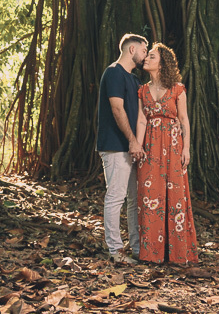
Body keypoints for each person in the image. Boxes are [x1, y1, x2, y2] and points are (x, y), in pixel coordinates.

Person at [135, 42, 198, 264]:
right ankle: (151, 254)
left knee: (176, 199)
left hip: (173, 147)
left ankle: (177, 254)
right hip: (150, 148)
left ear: (162, 63)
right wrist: (139, 146)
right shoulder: (142, 90)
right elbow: (142, 120)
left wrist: (187, 148)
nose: (146, 59)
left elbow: (184, 120)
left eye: (151, 56)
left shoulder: (178, 89)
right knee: (150, 198)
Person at [97, 33, 148, 265]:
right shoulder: (114, 72)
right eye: (144, 51)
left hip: (132, 148)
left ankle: (137, 248)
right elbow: (117, 109)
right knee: (116, 197)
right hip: (116, 146)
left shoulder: (135, 80)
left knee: (134, 200)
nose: (145, 56)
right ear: (132, 50)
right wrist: (132, 141)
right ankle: (115, 250)